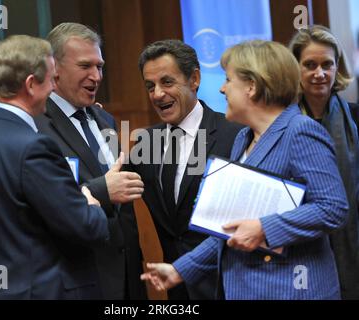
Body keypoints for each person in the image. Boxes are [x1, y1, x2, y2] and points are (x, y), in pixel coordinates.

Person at [140, 40, 349, 300]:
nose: (222, 88)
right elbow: (230, 228)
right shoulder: (243, 138)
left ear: (252, 86)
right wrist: (179, 270)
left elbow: (333, 208)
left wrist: (264, 227)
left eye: (229, 79)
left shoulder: (300, 131)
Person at [0, 35, 110, 299]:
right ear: (31, 85)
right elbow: (87, 227)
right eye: (51, 79)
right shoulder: (34, 147)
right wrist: (90, 202)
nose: (53, 87)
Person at [34, 23, 147, 300]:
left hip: (127, 277)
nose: (96, 76)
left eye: (99, 66)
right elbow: (44, 204)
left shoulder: (104, 119)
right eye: (85, 66)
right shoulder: (36, 127)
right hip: (79, 279)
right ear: (53, 69)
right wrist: (101, 190)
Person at [128, 39, 242, 299]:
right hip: (177, 292)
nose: (157, 94)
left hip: (227, 286)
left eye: (167, 82)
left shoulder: (234, 135)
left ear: (194, 79)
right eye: (150, 86)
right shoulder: (146, 143)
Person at [289, 25, 359, 300]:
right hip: (303, 247)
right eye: (310, 65)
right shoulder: (283, 124)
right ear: (295, 69)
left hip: (353, 243)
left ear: (337, 67)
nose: (320, 73)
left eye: (327, 64)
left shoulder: (355, 117)